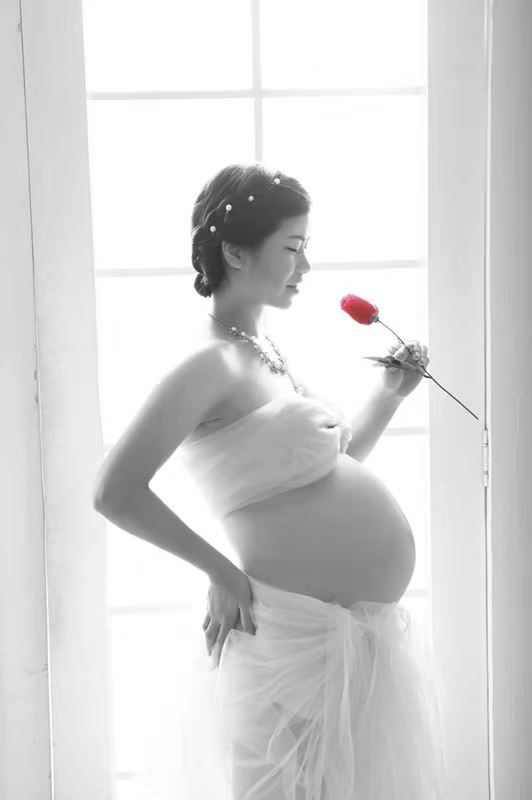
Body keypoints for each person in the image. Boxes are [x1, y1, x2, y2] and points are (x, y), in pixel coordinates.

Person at [93, 162, 447, 799]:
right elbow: (113, 491)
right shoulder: (208, 363)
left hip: (350, 633)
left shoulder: (265, 351)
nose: (305, 266)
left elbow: (329, 469)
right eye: (292, 247)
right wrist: (220, 572)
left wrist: (390, 395)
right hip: (287, 637)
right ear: (235, 251)